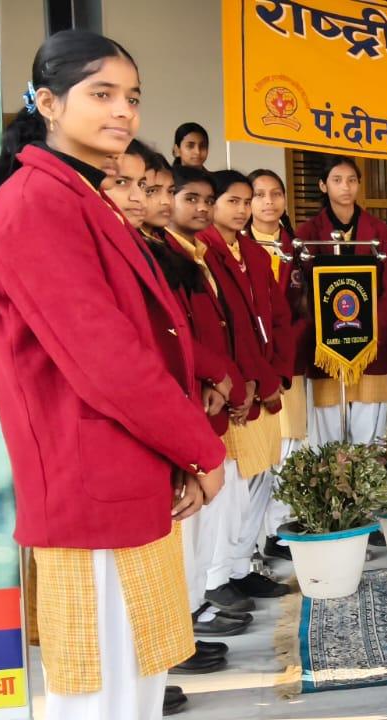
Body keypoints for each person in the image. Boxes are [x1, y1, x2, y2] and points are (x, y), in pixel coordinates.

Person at [0, 30, 227, 719]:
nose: (123, 111)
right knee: (101, 692)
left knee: (133, 681)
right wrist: (200, 449)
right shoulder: (39, 203)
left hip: (122, 470)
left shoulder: (81, 195)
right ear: (48, 103)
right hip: (91, 485)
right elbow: (106, 360)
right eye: (101, 94)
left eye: (132, 97)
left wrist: (179, 451)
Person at [119, 145, 253, 649]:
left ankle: (192, 608)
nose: (149, 199)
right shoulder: (144, 252)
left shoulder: (174, 251)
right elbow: (165, 338)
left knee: (197, 517)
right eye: (141, 188)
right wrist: (216, 374)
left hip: (199, 396)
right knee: (181, 520)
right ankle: (185, 618)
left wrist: (221, 378)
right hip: (172, 403)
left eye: (157, 189)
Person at [197, 171, 293, 606]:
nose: (241, 209)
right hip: (237, 392)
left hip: (264, 385)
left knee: (261, 479)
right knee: (232, 486)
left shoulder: (253, 253)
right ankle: (217, 577)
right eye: (232, 201)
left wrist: (275, 378)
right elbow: (227, 333)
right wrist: (248, 384)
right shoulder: (204, 253)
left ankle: (241, 565)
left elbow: (277, 320)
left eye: (245, 201)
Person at [292, 156, 387, 445]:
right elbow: (302, 291)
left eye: (352, 180)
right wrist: (321, 329)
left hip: (372, 344)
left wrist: (374, 334)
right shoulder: (307, 233)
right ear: (322, 185)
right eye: (337, 180)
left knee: (368, 438)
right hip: (326, 343)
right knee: (328, 439)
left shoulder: (379, 231)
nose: (345, 187)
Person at [246, 168, 303, 558]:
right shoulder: (237, 248)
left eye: (275, 193)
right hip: (253, 367)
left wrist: (286, 350)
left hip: (291, 361)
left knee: (290, 448)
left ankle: (278, 531)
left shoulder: (298, 249)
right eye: (259, 194)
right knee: (258, 456)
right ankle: (248, 541)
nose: (268, 201)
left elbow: (308, 307)